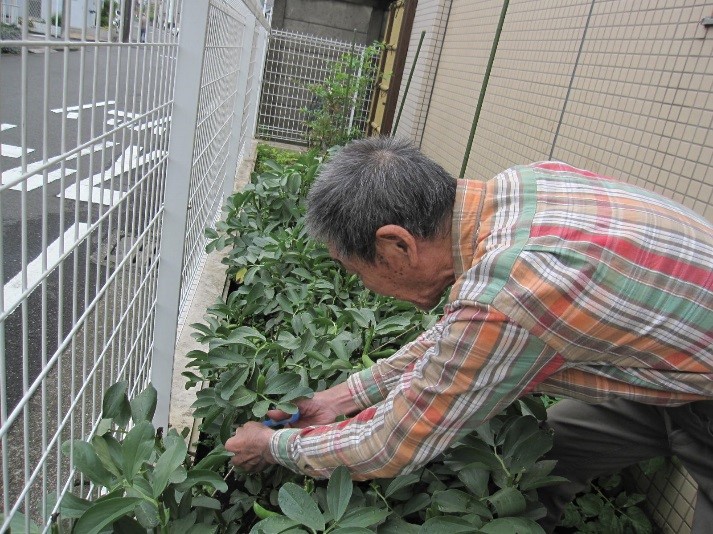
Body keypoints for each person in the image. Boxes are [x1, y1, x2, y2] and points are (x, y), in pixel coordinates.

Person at [225, 136, 713, 532]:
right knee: (548, 454)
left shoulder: (513, 291)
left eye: (355, 272)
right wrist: (340, 399)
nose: (365, 287)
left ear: (396, 245)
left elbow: (392, 444)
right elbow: (454, 339)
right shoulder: (521, 185)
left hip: (701, 381)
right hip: (661, 350)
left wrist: (272, 447)